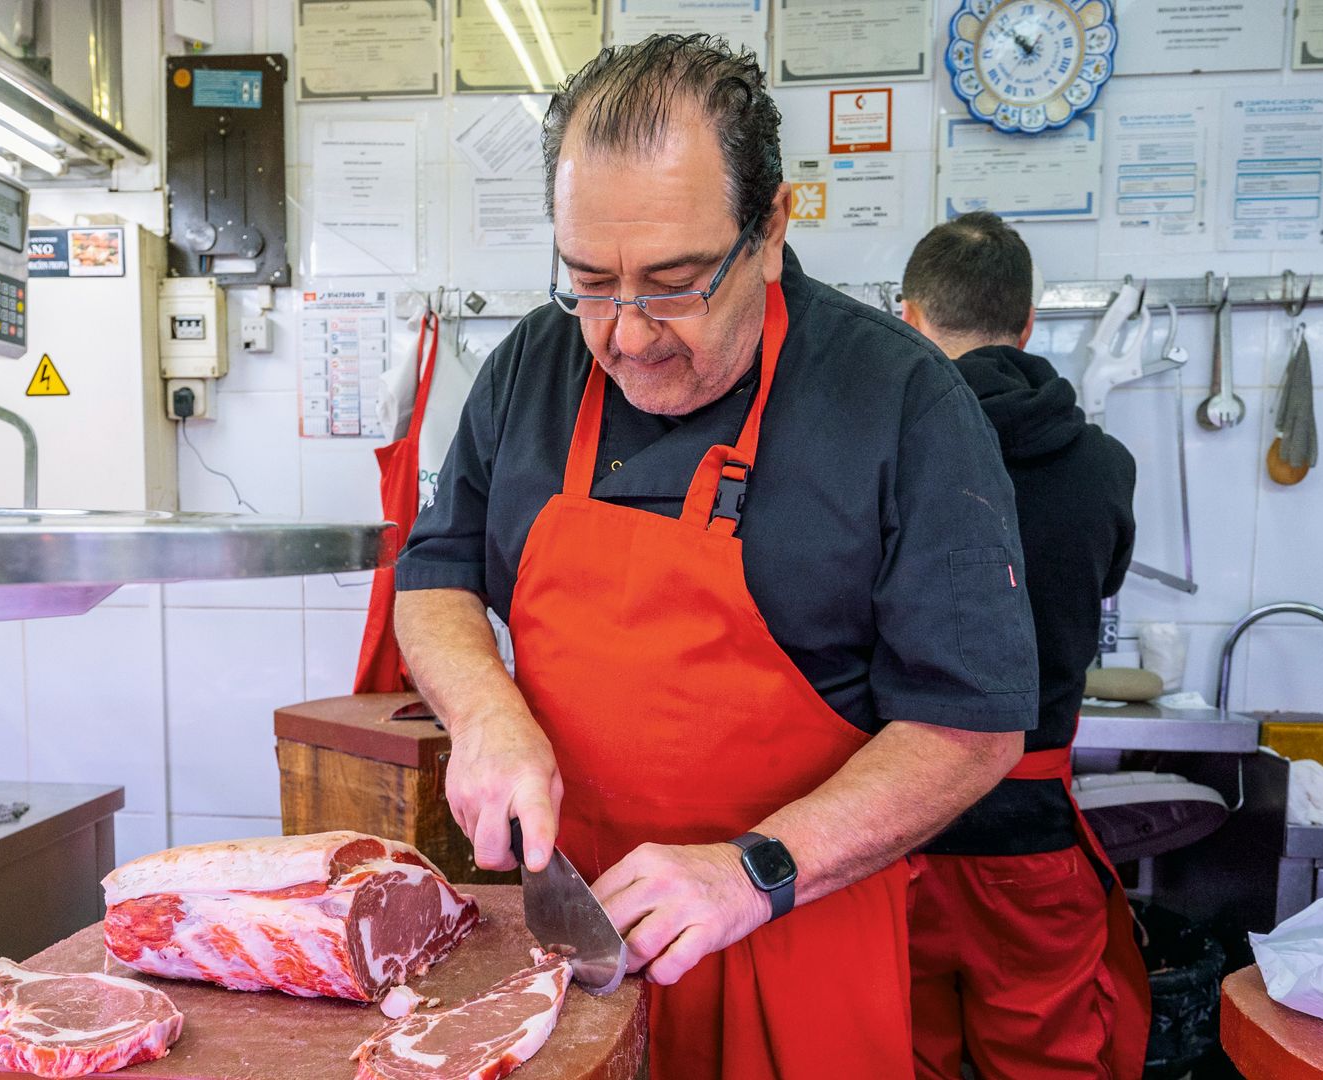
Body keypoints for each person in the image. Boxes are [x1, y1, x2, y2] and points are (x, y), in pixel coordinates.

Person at [392, 35, 1040, 1080]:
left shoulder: (903, 403)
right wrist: (486, 713)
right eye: (591, 282)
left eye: (676, 284)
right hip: (571, 955)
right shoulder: (531, 368)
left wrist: (758, 871)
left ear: (774, 227)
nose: (629, 334)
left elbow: (972, 729)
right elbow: (437, 578)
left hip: (796, 953)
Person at [897, 211, 1148, 1079]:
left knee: (903, 1059)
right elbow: (1096, 589)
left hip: (895, 836)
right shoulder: (1103, 465)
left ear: (908, 319)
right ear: (1029, 323)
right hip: (1033, 846)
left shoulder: (882, 455)